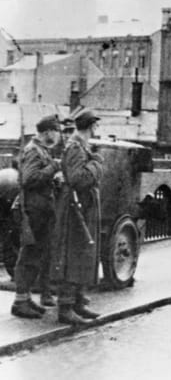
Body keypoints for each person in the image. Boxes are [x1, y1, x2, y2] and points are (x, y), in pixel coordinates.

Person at [50, 110, 103, 325]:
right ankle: (66, 307)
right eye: (96, 126)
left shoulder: (81, 146)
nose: (97, 129)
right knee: (73, 255)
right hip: (75, 211)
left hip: (82, 208)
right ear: (91, 126)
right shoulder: (75, 147)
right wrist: (97, 164)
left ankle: (78, 302)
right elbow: (76, 178)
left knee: (83, 254)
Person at [11, 115, 61, 319]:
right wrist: (53, 168)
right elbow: (28, 179)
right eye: (56, 131)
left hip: (41, 210)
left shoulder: (41, 151)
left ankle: (26, 297)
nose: (58, 136)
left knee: (36, 254)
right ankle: (19, 301)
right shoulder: (33, 150)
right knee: (28, 255)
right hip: (34, 212)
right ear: (48, 132)